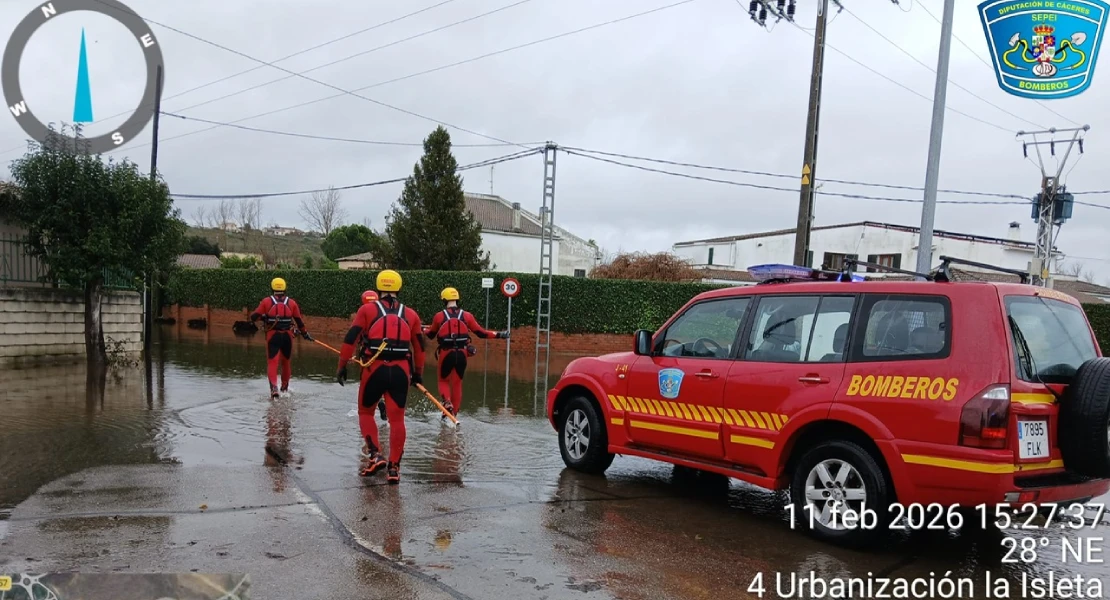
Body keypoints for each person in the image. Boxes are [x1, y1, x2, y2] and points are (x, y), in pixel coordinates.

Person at [336, 270, 425, 484]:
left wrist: (342, 366)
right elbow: (420, 347)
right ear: (398, 288)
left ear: (378, 287)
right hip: (401, 371)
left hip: (374, 369)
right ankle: (394, 469)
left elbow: (350, 339)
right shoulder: (411, 314)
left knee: (365, 412)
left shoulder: (367, 310)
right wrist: (418, 374)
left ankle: (376, 455)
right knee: (397, 420)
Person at [424, 287, 507, 417]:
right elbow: (481, 333)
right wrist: (499, 334)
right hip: (462, 353)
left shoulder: (439, 316)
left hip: (446, 353)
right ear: (457, 299)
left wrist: (423, 330)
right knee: (457, 383)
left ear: (444, 300)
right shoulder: (467, 316)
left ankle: (447, 403)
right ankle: (454, 415)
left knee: (443, 381)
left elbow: (431, 334)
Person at [250, 277, 313, 399]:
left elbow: (253, 317)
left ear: (272, 288)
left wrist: (264, 317)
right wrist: (305, 334)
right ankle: (284, 389)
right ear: (285, 288)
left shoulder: (266, 302)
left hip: (273, 336)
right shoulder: (292, 303)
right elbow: (299, 322)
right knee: (286, 363)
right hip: (287, 337)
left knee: (272, 362)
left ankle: (274, 389)